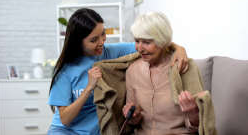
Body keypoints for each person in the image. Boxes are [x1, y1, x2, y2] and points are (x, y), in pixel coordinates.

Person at [47, 8, 190, 135]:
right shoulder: (65, 70)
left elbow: (151, 42)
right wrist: (89, 88)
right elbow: (65, 119)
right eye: (94, 40)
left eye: (103, 34)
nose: (102, 41)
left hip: (97, 130)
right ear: (78, 42)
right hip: (66, 130)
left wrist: (178, 48)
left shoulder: (109, 51)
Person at [122, 11, 204, 135]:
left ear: (162, 41)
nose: (139, 48)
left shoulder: (184, 67)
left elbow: (198, 126)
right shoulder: (132, 71)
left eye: (147, 42)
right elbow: (134, 122)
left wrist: (194, 115)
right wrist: (134, 114)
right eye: (137, 41)